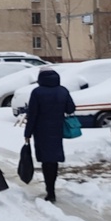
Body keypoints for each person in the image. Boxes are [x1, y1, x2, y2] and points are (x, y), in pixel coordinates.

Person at [23, 67, 76, 203]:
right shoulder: (63, 90)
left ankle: (50, 191)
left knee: (46, 160)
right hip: (57, 129)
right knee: (53, 160)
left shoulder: (37, 92)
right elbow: (71, 108)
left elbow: (32, 114)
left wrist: (27, 133)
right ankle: (51, 188)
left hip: (41, 130)